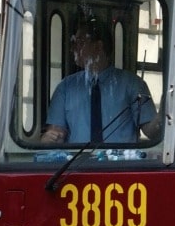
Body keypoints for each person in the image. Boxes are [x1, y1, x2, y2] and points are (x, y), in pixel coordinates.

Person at [41, 17, 157, 145]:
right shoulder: (65, 87)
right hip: (75, 163)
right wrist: (49, 139)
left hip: (121, 163)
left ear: (98, 46)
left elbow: (151, 132)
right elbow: (56, 132)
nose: (73, 49)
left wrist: (165, 114)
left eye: (79, 42)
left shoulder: (133, 84)